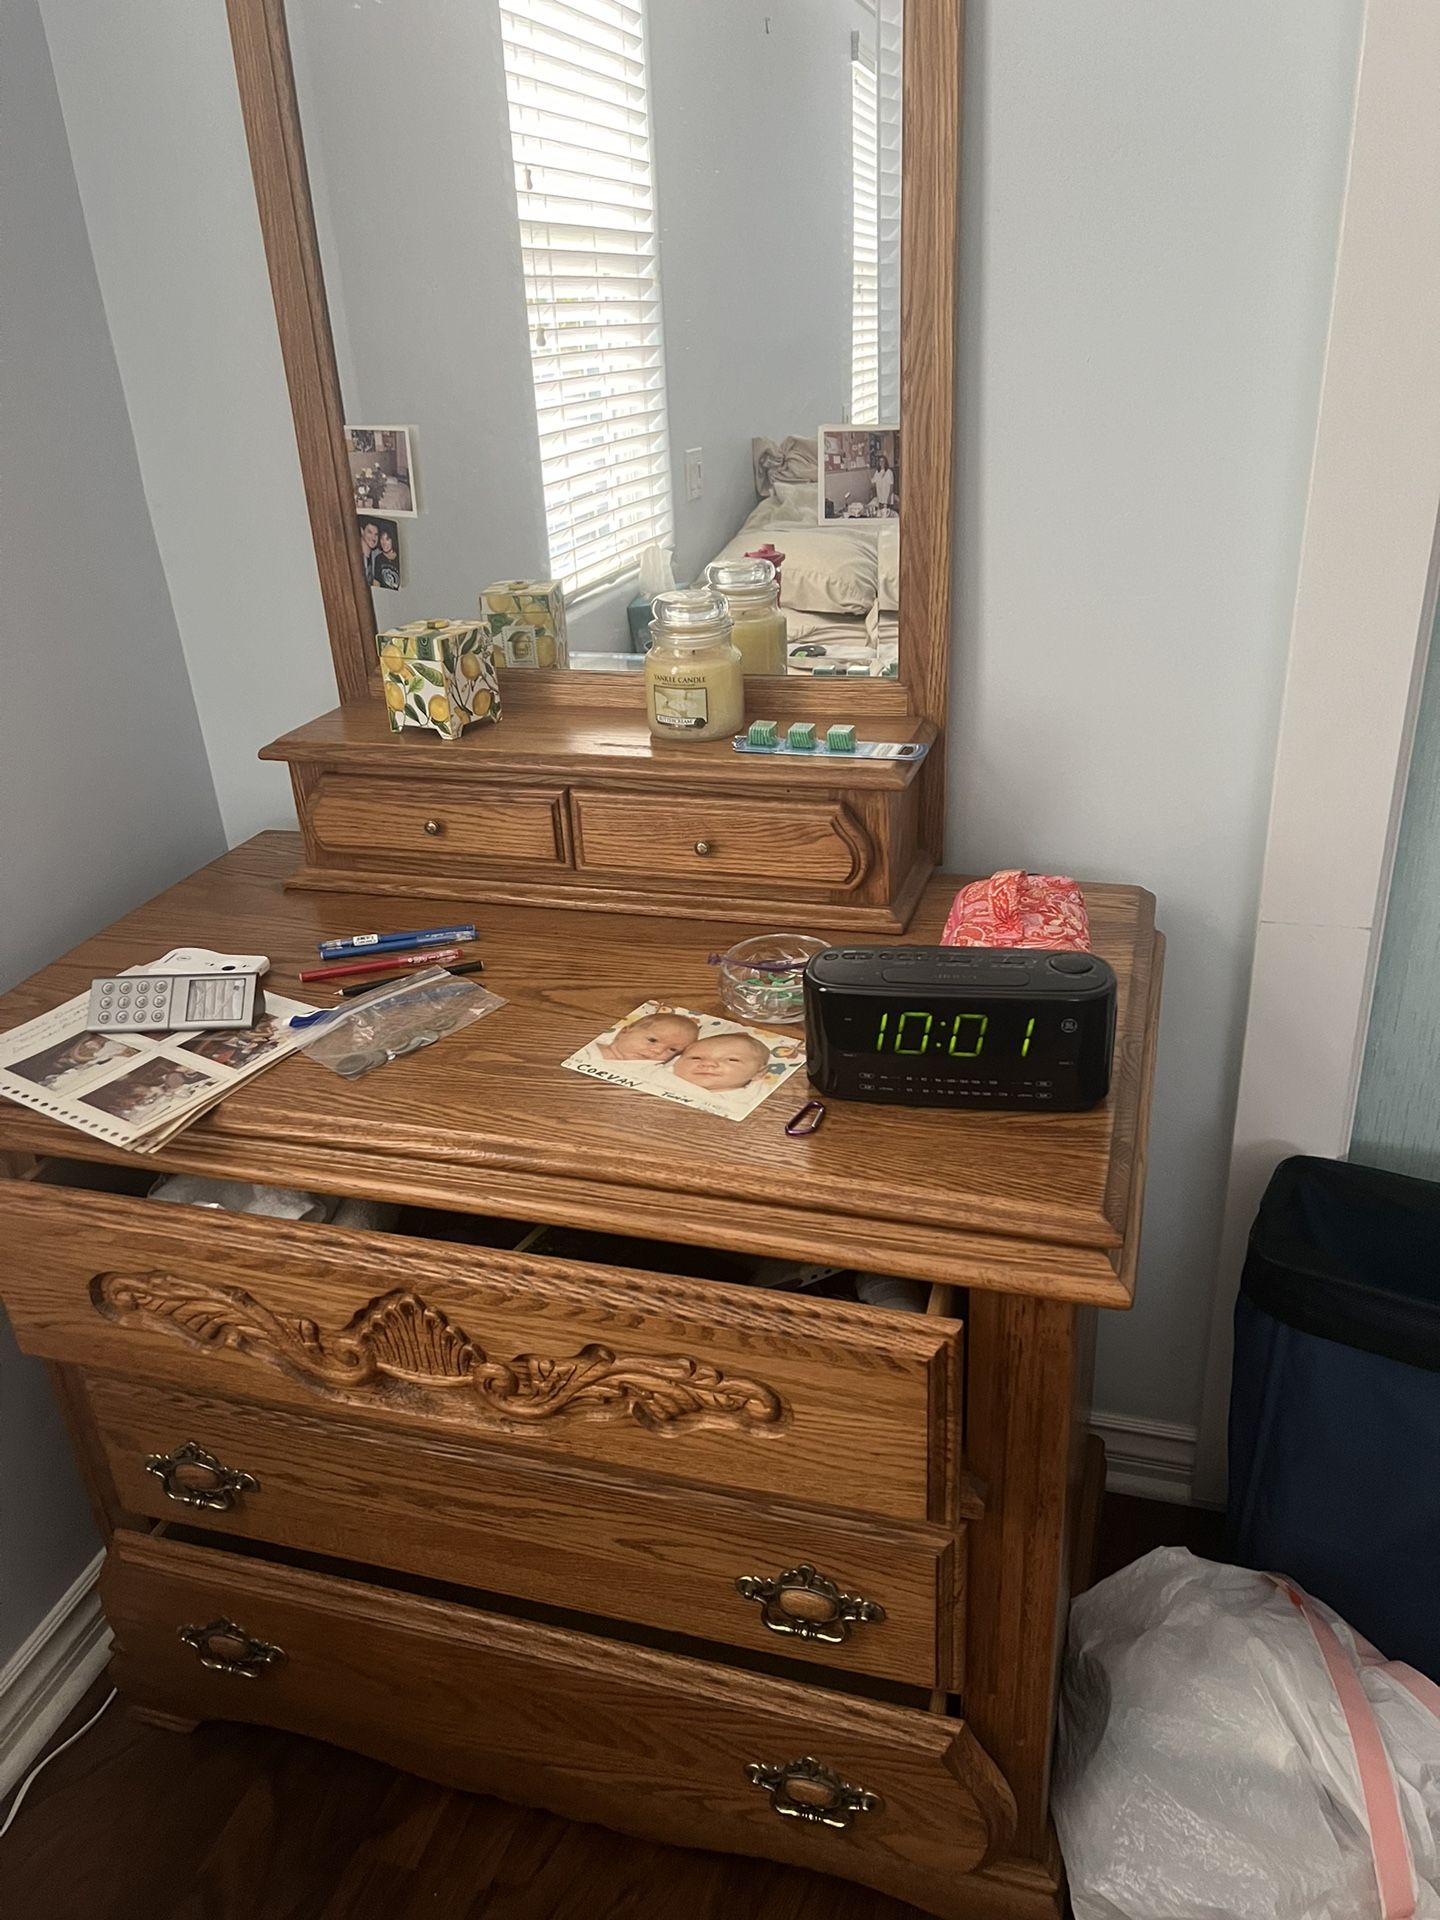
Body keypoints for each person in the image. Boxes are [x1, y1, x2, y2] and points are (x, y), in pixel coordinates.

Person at [669, 1031, 771, 1094]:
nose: (708, 1063)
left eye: (732, 1060)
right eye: (696, 1058)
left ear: (758, 1073)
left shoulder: (750, 1099)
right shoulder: (658, 1074)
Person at [598, 1011, 698, 1064]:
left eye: (672, 1049)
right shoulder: (594, 1048)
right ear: (624, 1032)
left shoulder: (649, 1069)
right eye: (652, 1040)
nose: (658, 1051)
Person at [375, 525, 401, 591]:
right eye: (382, 539)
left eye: (387, 539)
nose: (384, 542)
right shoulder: (378, 559)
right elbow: (376, 582)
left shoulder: (400, 557)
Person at [357, 517, 381, 584]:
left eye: (376, 534)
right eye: (370, 532)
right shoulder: (354, 555)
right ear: (362, 531)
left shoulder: (378, 555)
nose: (373, 538)